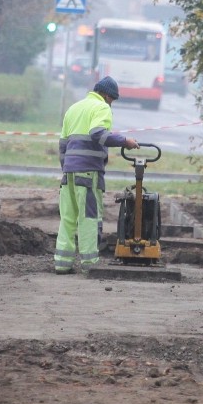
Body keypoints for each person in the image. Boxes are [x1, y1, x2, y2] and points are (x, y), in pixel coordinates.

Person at [54, 76, 139, 274]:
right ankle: (89, 264)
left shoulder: (74, 108)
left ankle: (62, 263)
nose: (112, 104)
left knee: (67, 217)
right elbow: (98, 134)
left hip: (69, 173)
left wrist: (66, 167)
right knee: (88, 217)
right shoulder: (101, 108)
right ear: (107, 95)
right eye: (112, 100)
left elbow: (62, 144)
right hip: (88, 172)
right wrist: (124, 141)